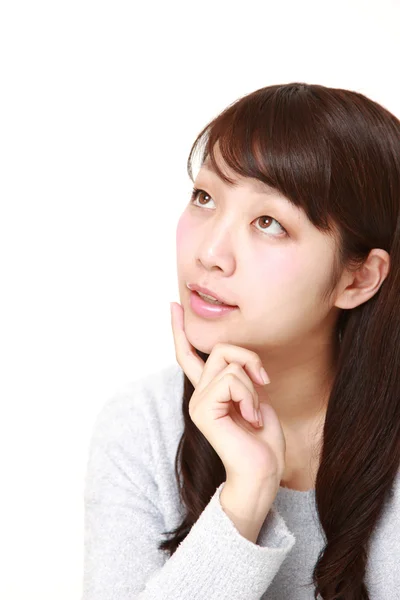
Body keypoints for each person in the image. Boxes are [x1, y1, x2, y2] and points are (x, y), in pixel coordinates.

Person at [82, 82, 400, 599]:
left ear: (358, 278)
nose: (209, 252)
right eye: (204, 198)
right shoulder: (144, 426)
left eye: (269, 222)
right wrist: (245, 498)